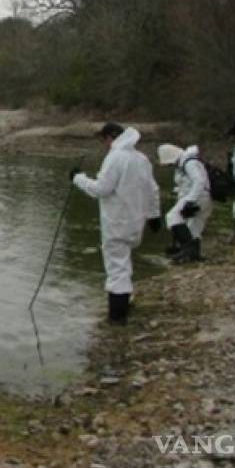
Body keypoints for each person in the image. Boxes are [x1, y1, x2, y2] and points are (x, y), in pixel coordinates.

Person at [70, 123, 161, 325]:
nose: (104, 144)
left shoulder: (115, 157)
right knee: (124, 264)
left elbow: (101, 189)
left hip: (117, 222)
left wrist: (78, 178)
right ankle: (125, 303)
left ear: (111, 136)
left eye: (104, 139)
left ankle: (117, 317)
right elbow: (152, 189)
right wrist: (154, 216)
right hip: (136, 222)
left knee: (116, 268)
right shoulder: (141, 158)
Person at [157, 143, 213, 263]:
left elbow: (199, 181)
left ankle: (187, 249)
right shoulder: (185, 163)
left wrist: (190, 201)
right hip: (203, 197)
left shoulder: (189, 163)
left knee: (172, 217)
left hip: (198, 197)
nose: (170, 166)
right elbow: (187, 183)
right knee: (193, 227)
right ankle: (193, 254)